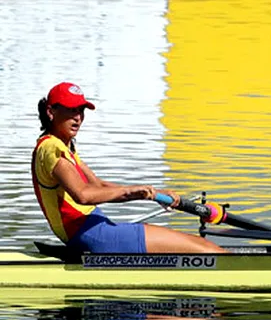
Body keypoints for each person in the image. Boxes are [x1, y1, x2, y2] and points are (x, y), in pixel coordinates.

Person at [31, 82, 225, 253]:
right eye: (71, 110)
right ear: (51, 112)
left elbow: (97, 185)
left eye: (81, 110)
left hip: (95, 228)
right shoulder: (51, 148)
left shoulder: (64, 146)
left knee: (199, 245)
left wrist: (155, 193)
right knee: (209, 250)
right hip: (92, 233)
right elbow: (83, 195)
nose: (78, 118)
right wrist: (133, 193)